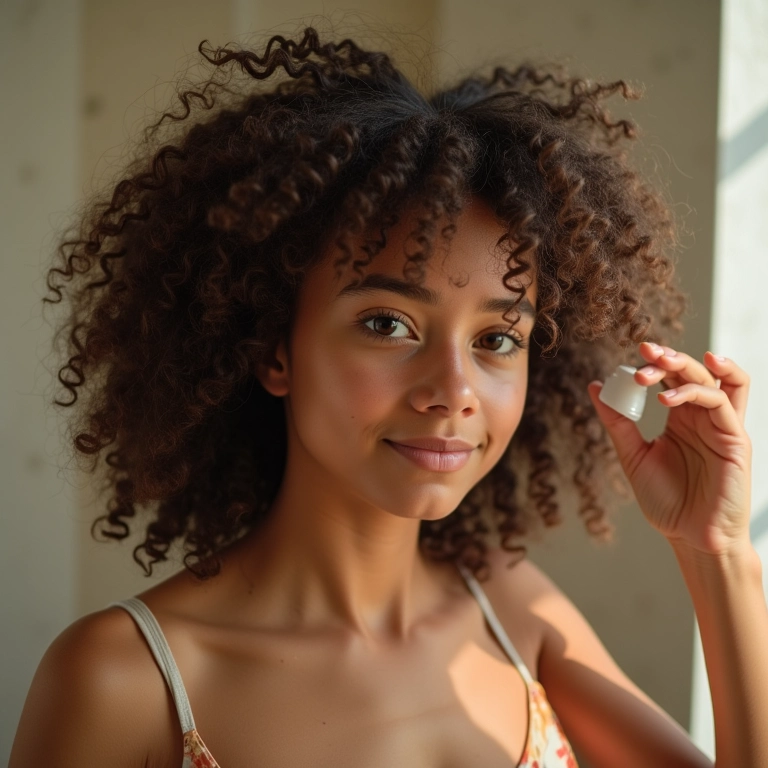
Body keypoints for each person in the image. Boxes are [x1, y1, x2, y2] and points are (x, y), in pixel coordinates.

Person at [10, 25, 767, 768]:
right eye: (388, 323)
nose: (453, 391)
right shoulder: (128, 681)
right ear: (275, 349)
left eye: (497, 339)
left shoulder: (511, 610)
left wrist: (717, 554)